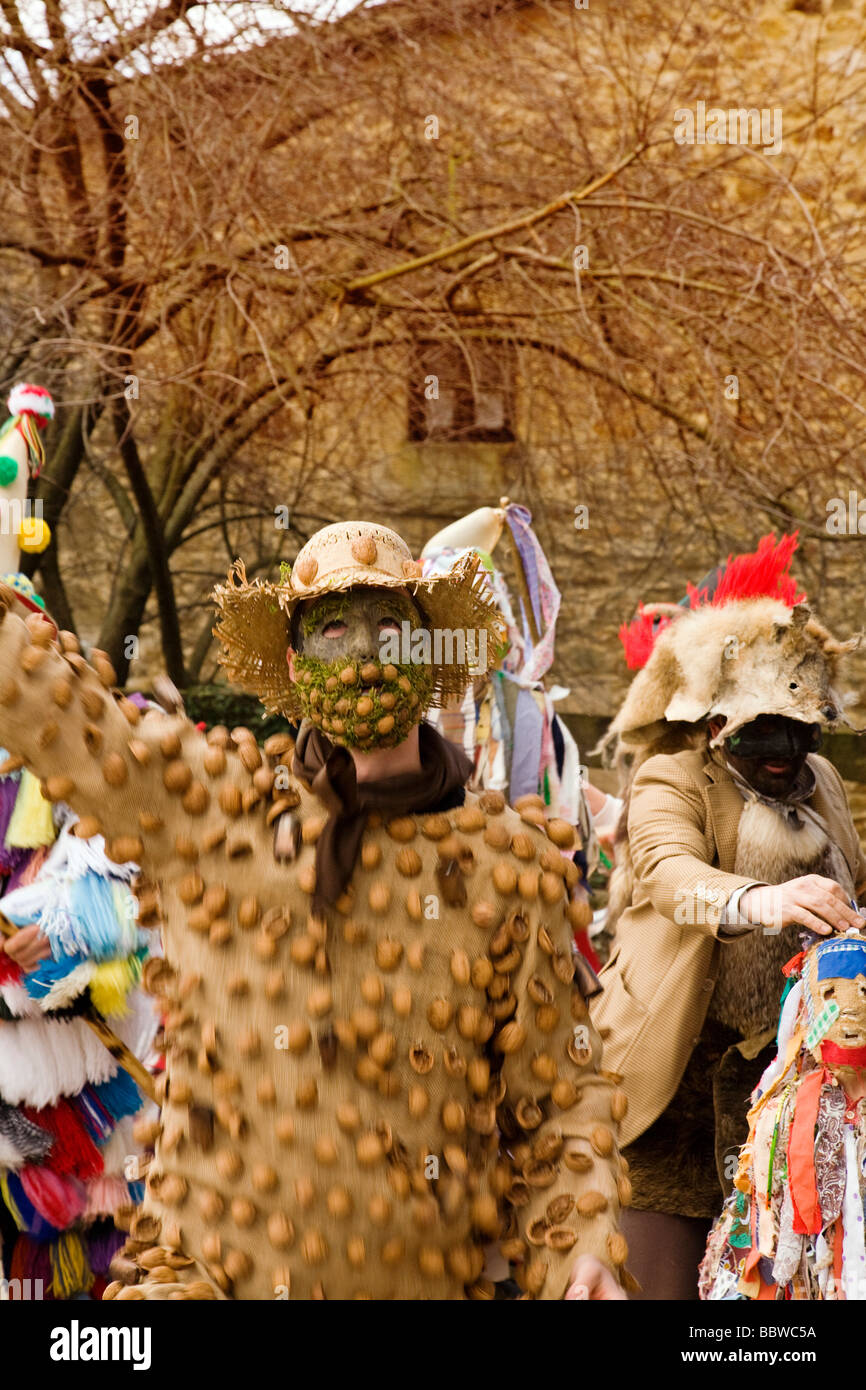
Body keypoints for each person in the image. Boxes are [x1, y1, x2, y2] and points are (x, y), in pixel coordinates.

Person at [0, 519, 629, 1300]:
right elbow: (49, 702)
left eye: (393, 628)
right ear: (295, 663)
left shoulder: (509, 865)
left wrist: (583, 1252)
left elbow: (559, 1110)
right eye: (334, 629)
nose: (367, 656)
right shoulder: (210, 815)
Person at [591, 534, 865, 1299]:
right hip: (671, 1090)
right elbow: (669, 871)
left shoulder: (824, 783)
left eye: (801, 730)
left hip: (793, 1094)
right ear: (715, 723)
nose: (785, 753)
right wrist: (762, 899)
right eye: (761, 732)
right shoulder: (669, 778)